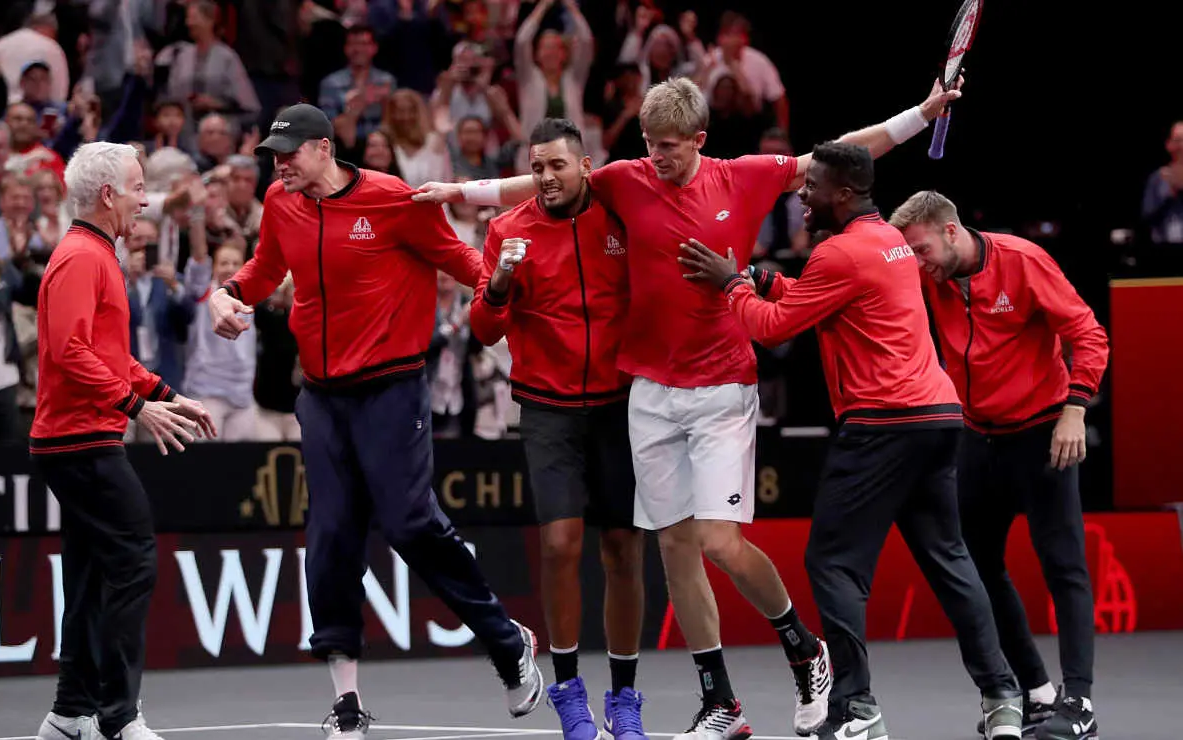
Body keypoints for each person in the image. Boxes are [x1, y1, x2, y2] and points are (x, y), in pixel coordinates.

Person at [415, 76, 960, 739]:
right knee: (674, 549)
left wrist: (920, 113)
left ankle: (802, 645)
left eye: (669, 147)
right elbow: (543, 184)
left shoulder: (745, 178)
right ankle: (721, 704)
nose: (658, 158)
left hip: (723, 385)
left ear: (699, 140)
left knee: (717, 542)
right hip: (647, 390)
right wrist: (460, 194)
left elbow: (842, 153)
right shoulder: (625, 177)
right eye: (650, 145)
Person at [205, 103, 543, 740]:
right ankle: (348, 705)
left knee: (411, 522)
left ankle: (507, 641)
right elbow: (265, 269)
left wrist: (503, 290)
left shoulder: (393, 200)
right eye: (274, 154)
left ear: (325, 149)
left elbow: (460, 260)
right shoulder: (282, 202)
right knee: (331, 539)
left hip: (390, 388)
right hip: (322, 397)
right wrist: (225, 293)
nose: (279, 164)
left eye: (290, 152)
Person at [677, 142, 1023, 740]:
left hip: (883, 424)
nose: (801, 196)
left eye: (810, 188)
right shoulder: (888, 242)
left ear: (841, 193)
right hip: (939, 417)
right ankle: (1002, 698)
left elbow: (774, 329)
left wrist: (733, 284)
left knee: (832, 562)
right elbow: (825, 301)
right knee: (951, 561)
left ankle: (857, 708)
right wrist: (762, 278)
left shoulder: (837, 254)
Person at [889, 191, 1107, 740]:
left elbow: (1088, 333)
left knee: (1065, 567)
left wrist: (1075, 410)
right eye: (909, 255)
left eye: (921, 250)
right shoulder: (930, 278)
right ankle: (1037, 693)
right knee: (977, 567)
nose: (918, 264)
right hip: (977, 437)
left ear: (952, 231)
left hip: (1043, 434)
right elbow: (867, 285)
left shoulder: (1023, 262)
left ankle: (1078, 704)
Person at [30, 142, 218, 740]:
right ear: (108, 195)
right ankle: (117, 717)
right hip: (79, 441)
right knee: (133, 559)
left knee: (90, 573)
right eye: (139, 188)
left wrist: (165, 393)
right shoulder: (83, 257)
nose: (146, 200)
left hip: (78, 438)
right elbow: (71, 352)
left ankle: (67, 715)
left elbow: (109, 354)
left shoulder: (94, 253)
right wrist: (137, 408)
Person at [470, 118, 646, 740]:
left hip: (622, 407)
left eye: (556, 167)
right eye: (537, 167)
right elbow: (484, 330)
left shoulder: (621, 218)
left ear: (585, 165)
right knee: (560, 546)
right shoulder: (507, 231)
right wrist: (497, 287)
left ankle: (624, 698)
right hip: (546, 409)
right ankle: (569, 692)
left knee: (624, 550)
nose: (546, 178)